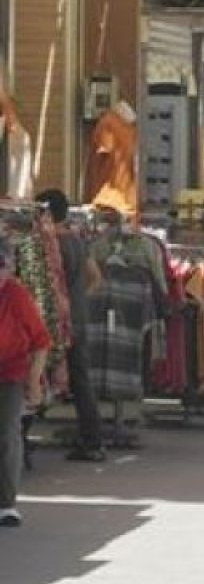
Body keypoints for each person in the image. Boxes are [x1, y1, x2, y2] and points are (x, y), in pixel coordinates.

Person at [34, 189, 106, 462]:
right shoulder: (77, 240)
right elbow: (96, 277)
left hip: (54, 321)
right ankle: (93, 440)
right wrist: (76, 299)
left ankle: (24, 433)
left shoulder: (50, 244)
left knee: (38, 373)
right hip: (78, 318)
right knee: (80, 381)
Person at [0, 236, 52, 527]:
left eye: (2, 267)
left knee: (7, 434)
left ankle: (6, 504)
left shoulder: (16, 294)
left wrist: (34, 381)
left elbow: (41, 340)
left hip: (11, 372)